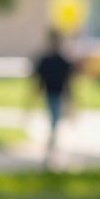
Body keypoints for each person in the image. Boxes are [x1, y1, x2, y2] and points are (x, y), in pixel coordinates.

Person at [34, 31, 75, 170]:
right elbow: (38, 81)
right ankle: (51, 149)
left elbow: (68, 82)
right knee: (54, 121)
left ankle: (51, 149)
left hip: (59, 95)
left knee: (55, 121)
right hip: (49, 95)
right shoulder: (45, 60)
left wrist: (71, 101)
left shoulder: (63, 61)